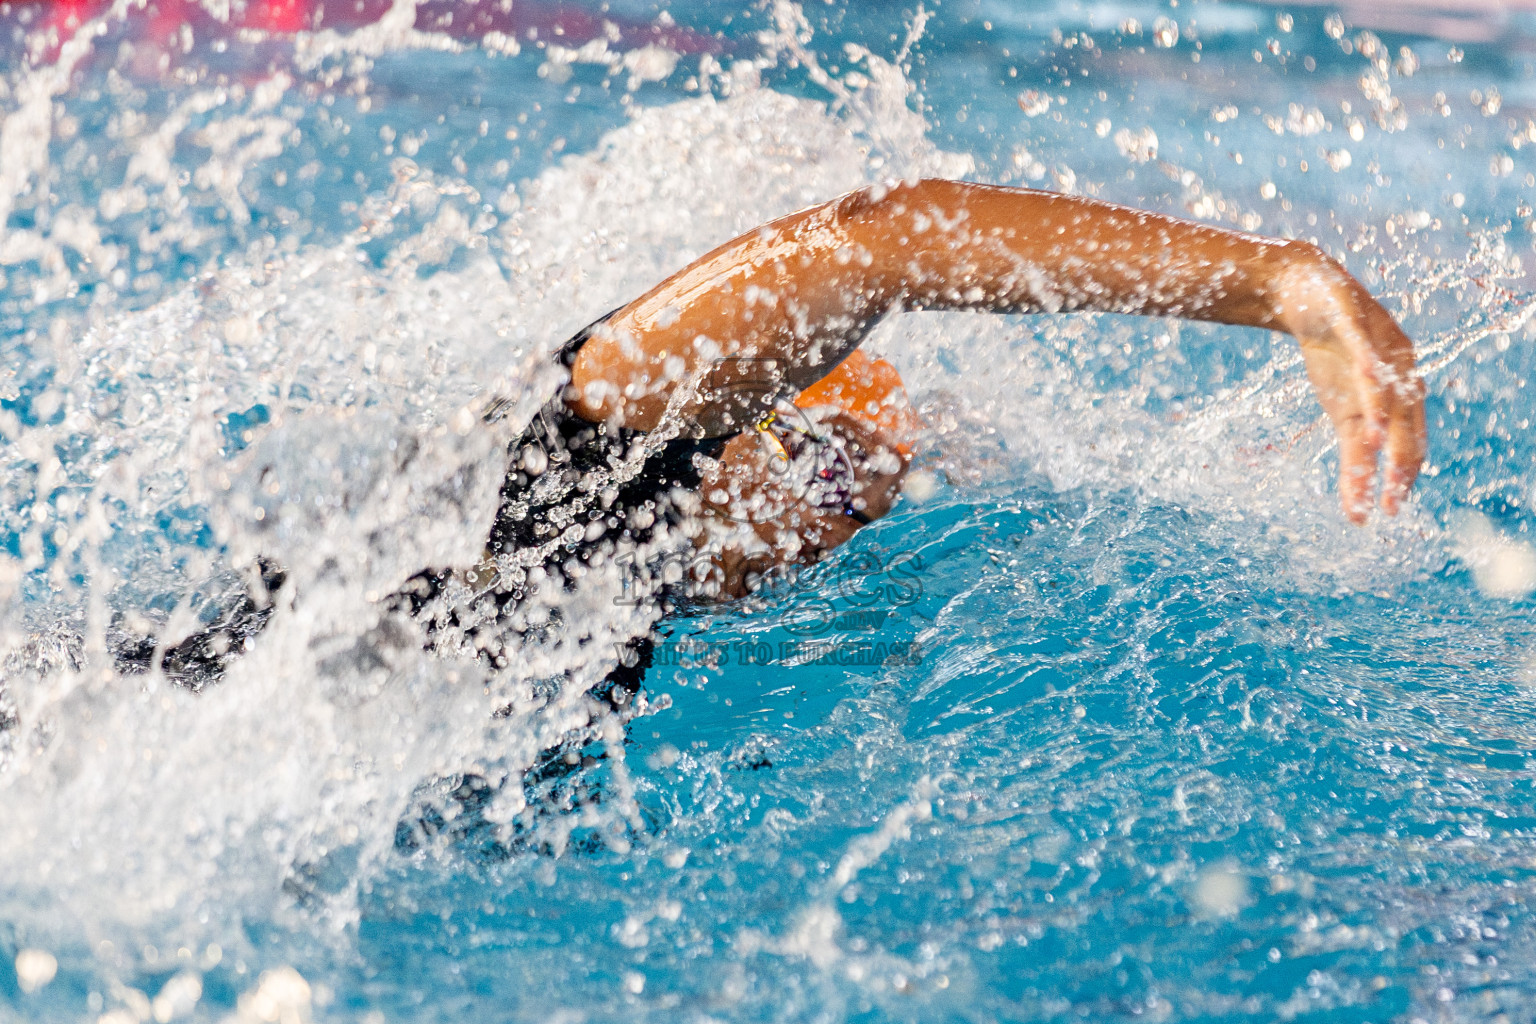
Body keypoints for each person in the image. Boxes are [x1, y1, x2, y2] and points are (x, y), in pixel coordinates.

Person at [124, 177, 1427, 753]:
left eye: (863, 487)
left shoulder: (617, 598)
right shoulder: (568, 468)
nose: (839, 511)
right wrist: (1280, 282)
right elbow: (874, 245)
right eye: (825, 466)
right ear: (723, 430)